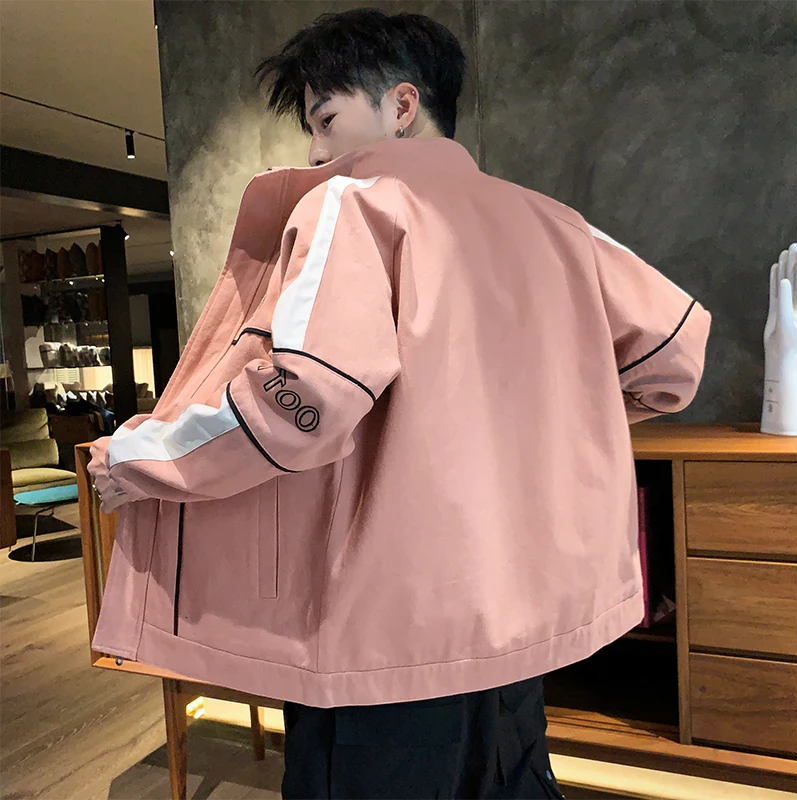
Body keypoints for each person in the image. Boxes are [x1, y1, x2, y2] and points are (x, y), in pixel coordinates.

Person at [88, 8, 711, 799]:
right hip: (517, 625)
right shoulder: (559, 226)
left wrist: (137, 458)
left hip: (385, 636)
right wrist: (552, 407)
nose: (315, 152)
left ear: (402, 105)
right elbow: (674, 362)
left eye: (325, 119)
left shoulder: (355, 205)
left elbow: (305, 398)